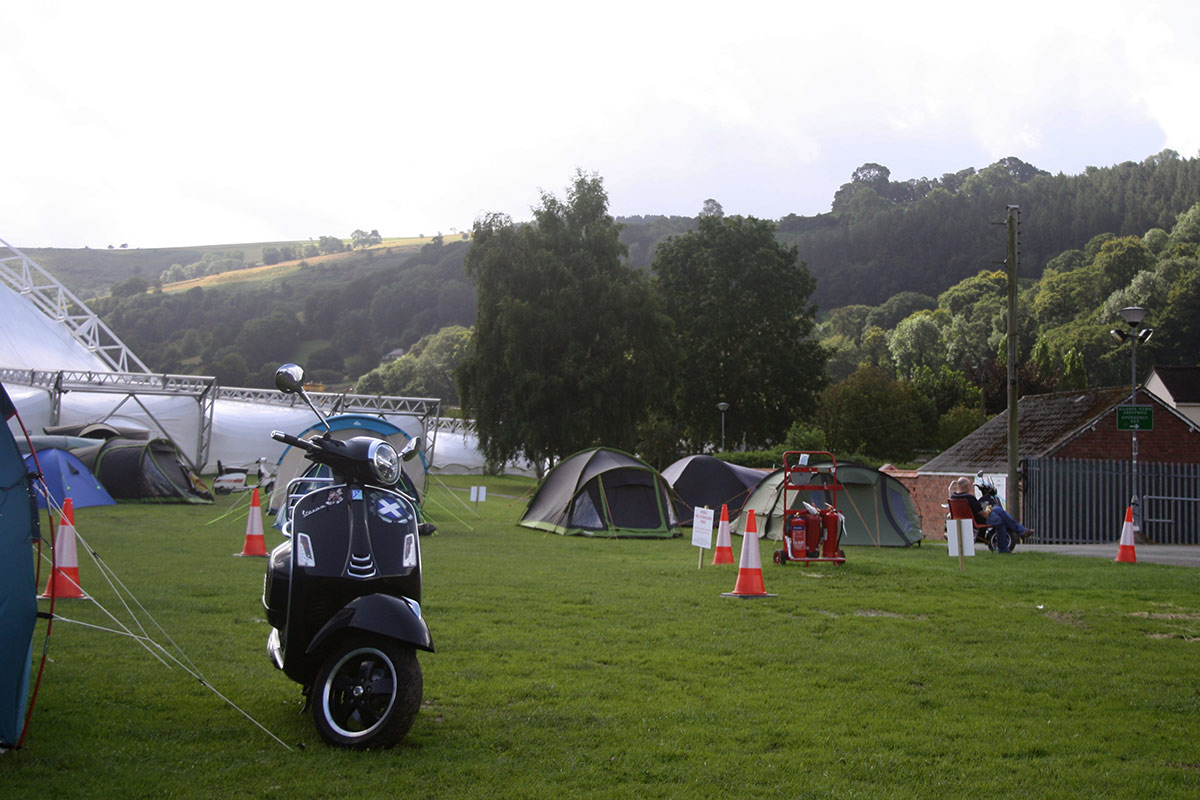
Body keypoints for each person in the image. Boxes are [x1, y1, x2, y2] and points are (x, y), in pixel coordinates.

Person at [949, 476, 1034, 553]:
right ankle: (1007, 545)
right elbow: (984, 515)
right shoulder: (970, 498)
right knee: (1000, 520)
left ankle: (1021, 531)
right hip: (978, 520)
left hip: (962, 519)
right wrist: (989, 509)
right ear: (966, 487)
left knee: (999, 510)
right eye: (969, 486)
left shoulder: (953, 498)